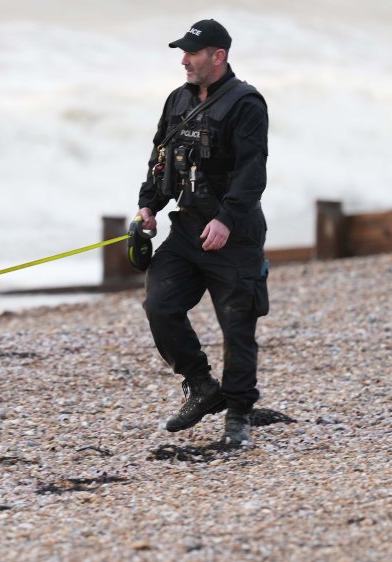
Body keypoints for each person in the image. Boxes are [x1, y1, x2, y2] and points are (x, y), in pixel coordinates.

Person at [134, 18, 269, 445]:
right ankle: (200, 385)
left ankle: (239, 416)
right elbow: (160, 156)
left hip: (236, 233)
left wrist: (227, 219)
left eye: (192, 53)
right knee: (159, 305)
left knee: (237, 326)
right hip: (188, 229)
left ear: (219, 56)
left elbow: (253, 173)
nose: (184, 60)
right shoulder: (177, 100)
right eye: (183, 52)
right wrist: (148, 205)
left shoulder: (247, 103)